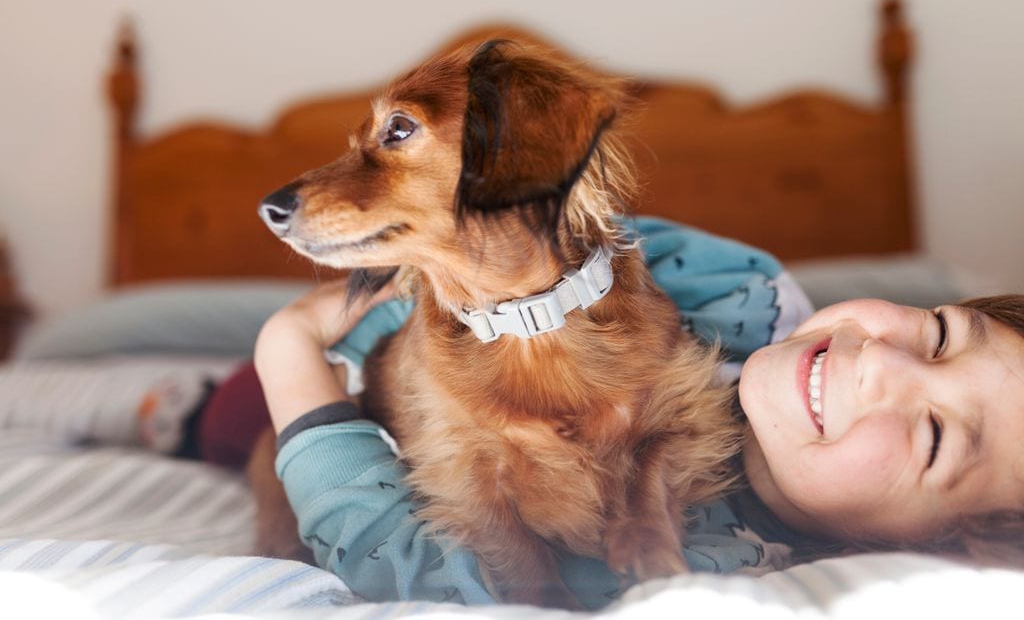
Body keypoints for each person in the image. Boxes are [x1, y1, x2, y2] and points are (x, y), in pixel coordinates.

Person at [253, 217, 1024, 608]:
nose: (884, 362)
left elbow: (411, 569)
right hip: (394, 334)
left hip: (336, 406)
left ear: (961, 542)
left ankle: (187, 409)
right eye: (943, 334)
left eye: (932, 436)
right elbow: (541, 243)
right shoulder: (738, 285)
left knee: (246, 437)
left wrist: (287, 348)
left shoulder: (713, 567)